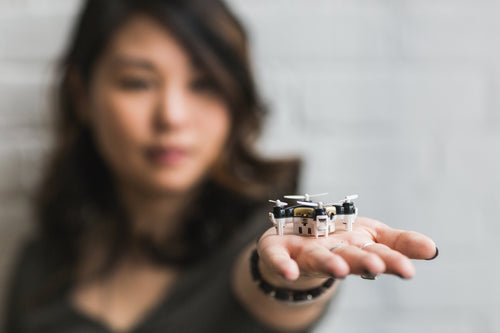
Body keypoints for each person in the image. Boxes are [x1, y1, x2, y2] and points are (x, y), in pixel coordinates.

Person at [3, 0, 438, 332]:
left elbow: (274, 282)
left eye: (204, 84)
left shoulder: (262, 242)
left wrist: (291, 275)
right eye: (137, 82)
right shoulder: (40, 264)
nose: (171, 116)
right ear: (82, 96)